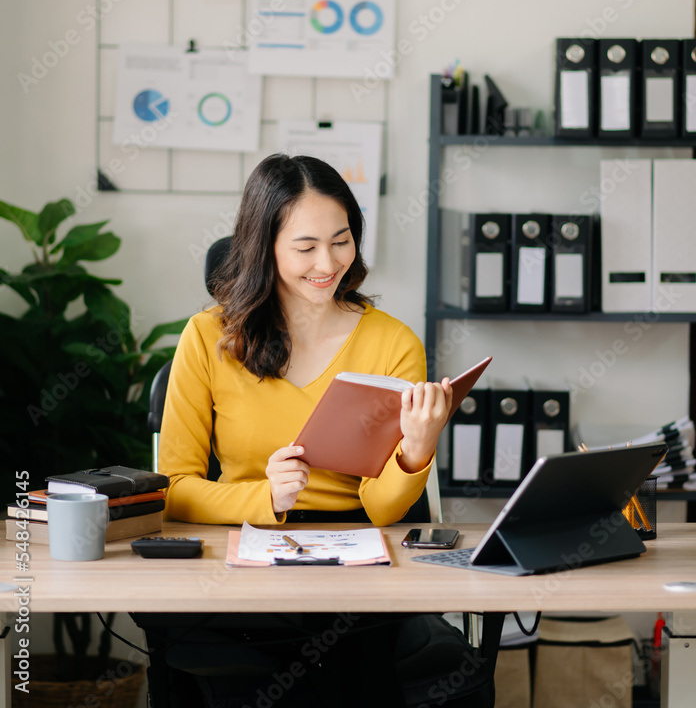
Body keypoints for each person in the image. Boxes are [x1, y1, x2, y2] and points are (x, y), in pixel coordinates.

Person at [156, 154, 499, 708]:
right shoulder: (207, 338)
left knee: (345, 648)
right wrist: (264, 496)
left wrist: (417, 447)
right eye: (305, 246)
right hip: (246, 550)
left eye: (341, 241)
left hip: (359, 556)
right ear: (262, 245)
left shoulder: (393, 343)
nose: (327, 262)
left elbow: (384, 509)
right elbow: (173, 487)